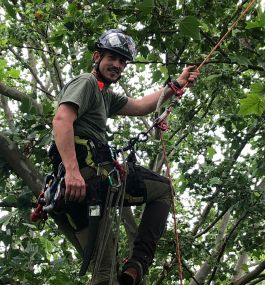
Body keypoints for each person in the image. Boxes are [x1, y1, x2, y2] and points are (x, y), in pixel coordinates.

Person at [52, 29, 199, 285]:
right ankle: (138, 263)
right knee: (163, 189)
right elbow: (62, 120)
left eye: (122, 61)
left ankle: (130, 273)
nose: (117, 65)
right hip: (86, 178)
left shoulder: (105, 95)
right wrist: (73, 172)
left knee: (103, 271)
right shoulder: (86, 82)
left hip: (77, 195)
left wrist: (177, 84)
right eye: (112, 58)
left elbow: (142, 105)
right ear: (97, 56)